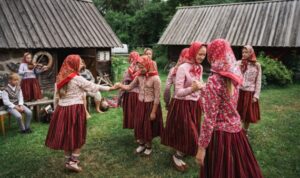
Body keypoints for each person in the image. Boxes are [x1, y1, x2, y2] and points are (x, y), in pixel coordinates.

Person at [195, 39, 263, 178]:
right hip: (236, 131)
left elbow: (209, 118)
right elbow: (225, 102)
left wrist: (202, 147)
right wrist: (205, 90)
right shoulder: (234, 75)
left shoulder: (215, 79)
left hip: (220, 135)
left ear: (213, 54)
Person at [45, 55, 119, 173]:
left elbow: (56, 97)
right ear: (73, 65)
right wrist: (111, 88)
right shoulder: (76, 78)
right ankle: (73, 162)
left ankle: (68, 161)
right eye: (79, 63)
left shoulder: (59, 77)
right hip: (74, 109)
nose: (82, 65)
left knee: (67, 136)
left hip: (62, 110)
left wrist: (55, 110)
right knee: (77, 135)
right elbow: (93, 86)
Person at [161, 42, 206, 172]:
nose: (202, 57)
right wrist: (192, 89)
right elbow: (178, 92)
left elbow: (200, 84)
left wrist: (203, 90)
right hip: (182, 104)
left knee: (192, 130)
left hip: (195, 103)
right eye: (200, 54)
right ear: (193, 52)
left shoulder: (200, 67)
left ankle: (183, 149)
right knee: (187, 131)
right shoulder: (182, 68)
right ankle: (177, 155)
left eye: (204, 54)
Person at [118, 55, 163, 156]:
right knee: (139, 124)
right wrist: (120, 85)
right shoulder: (138, 76)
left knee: (148, 126)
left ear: (148, 65)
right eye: (139, 67)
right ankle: (142, 144)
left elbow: (157, 97)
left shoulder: (156, 79)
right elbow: (130, 87)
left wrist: (153, 112)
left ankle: (148, 146)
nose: (140, 69)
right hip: (140, 104)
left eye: (142, 67)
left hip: (150, 105)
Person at [237, 45, 262, 132]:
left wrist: (256, 95)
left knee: (247, 114)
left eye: (246, 52)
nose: (244, 54)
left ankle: (245, 130)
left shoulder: (257, 65)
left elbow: (258, 81)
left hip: (250, 92)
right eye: (243, 52)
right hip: (239, 91)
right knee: (237, 112)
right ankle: (237, 130)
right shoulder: (239, 63)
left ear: (251, 52)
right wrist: (238, 67)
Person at [119, 51, 140, 129]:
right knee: (135, 111)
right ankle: (136, 126)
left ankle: (134, 125)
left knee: (132, 111)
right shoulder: (140, 66)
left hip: (132, 93)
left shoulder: (131, 68)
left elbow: (126, 80)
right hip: (137, 92)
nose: (130, 59)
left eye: (131, 57)